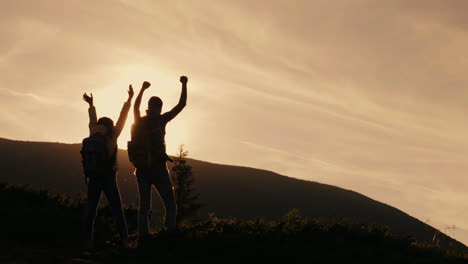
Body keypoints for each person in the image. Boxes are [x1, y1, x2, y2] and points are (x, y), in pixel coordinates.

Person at [131, 76, 188, 237]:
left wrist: (142, 89)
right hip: (158, 167)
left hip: (140, 168)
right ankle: (169, 232)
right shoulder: (161, 119)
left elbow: (135, 107)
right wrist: (184, 84)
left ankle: (143, 236)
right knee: (170, 203)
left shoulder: (138, 121)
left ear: (148, 107)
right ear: (160, 108)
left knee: (144, 205)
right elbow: (181, 104)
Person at [82, 86, 134, 249]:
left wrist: (91, 105)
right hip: (108, 177)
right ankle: (125, 241)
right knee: (117, 210)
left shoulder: (92, 132)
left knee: (91, 211)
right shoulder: (112, 134)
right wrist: (129, 100)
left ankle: (88, 242)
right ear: (110, 126)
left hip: (92, 177)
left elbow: (92, 120)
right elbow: (123, 117)